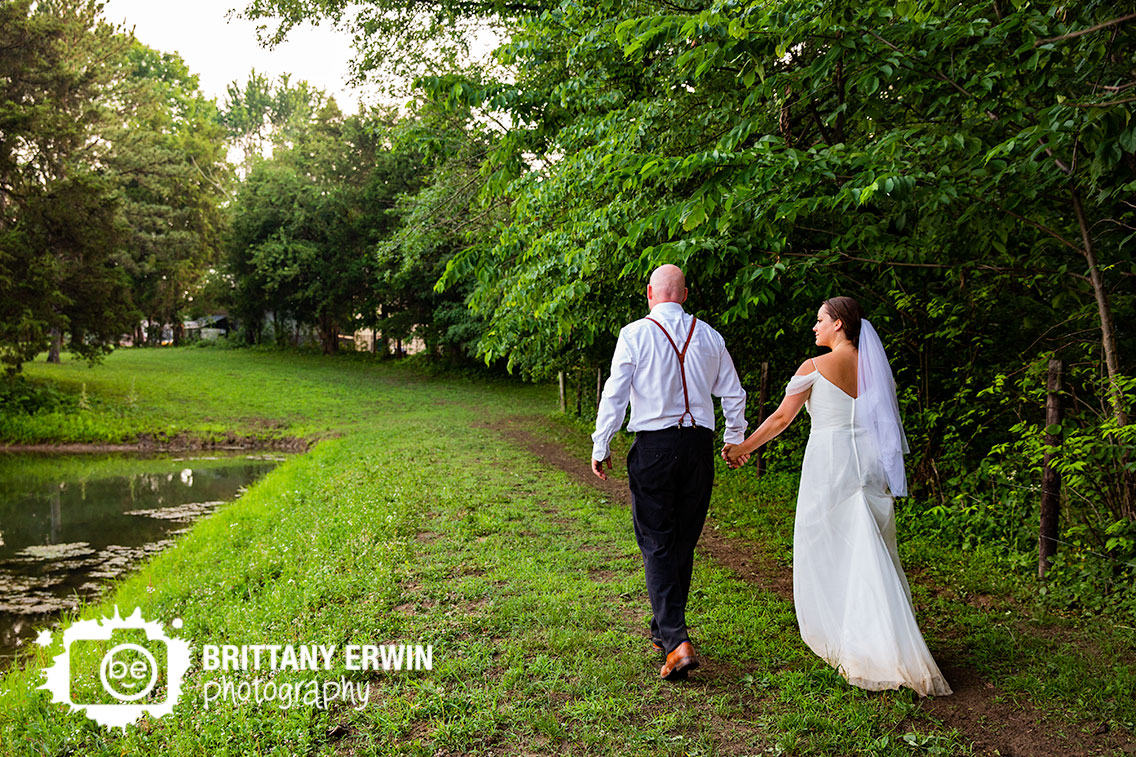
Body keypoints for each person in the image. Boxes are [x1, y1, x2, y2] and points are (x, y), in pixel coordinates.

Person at [723, 297, 951, 697]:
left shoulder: (813, 368)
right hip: (867, 462)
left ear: (840, 324)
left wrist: (743, 448)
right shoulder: (874, 369)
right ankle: (884, 636)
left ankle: (854, 640)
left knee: (830, 545)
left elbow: (781, 419)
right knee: (870, 543)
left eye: (820, 320)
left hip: (830, 461)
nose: (815, 327)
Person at [591, 264, 748, 681]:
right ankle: (665, 631)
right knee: (683, 539)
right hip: (698, 446)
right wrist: (734, 437)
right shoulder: (710, 335)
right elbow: (733, 392)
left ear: (649, 293)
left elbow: (616, 392)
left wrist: (601, 442)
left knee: (657, 540)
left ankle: (676, 640)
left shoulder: (635, 333)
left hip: (656, 447)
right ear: (685, 293)